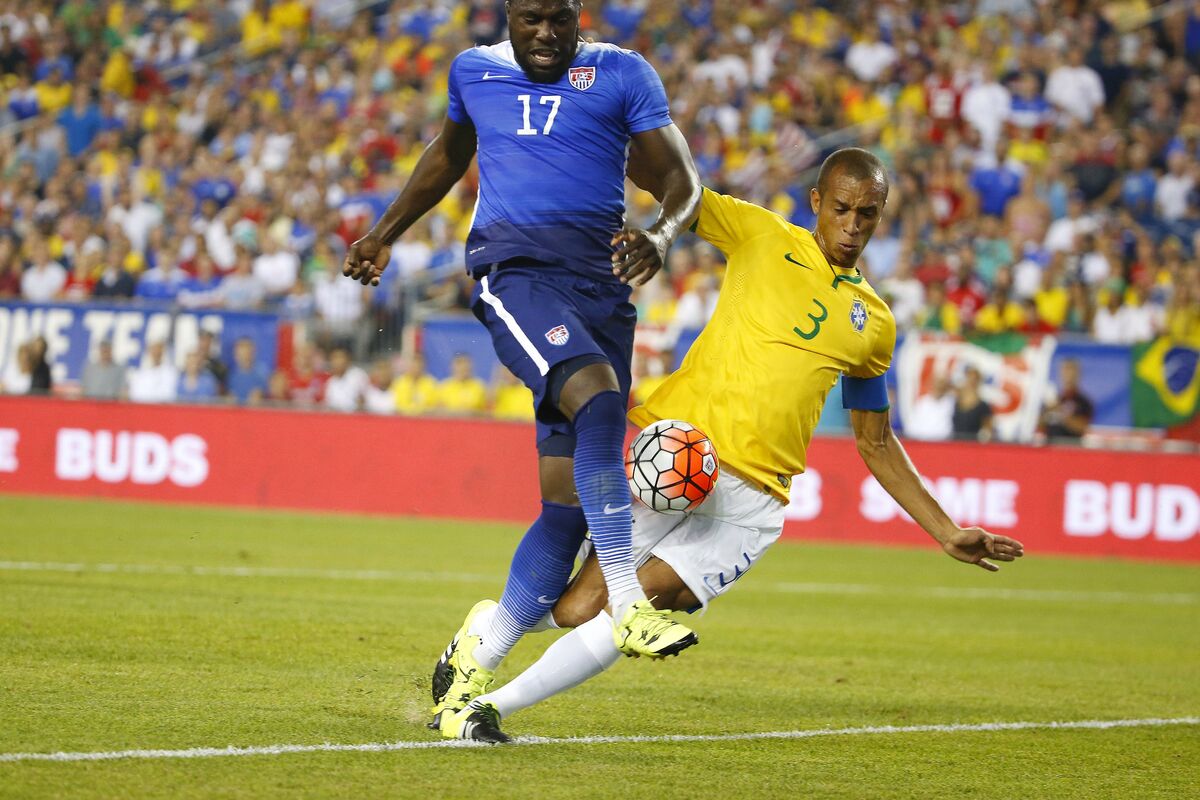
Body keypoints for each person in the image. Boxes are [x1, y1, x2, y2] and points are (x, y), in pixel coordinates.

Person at [441, 148, 1025, 743]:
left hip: (751, 503)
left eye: (868, 214)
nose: (853, 226)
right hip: (677, 457)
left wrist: (945, 530)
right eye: (842, 208)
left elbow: (875, 440)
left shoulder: (874, 322)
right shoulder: (761, 233)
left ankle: (484, 711)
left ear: (882, 214)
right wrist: (608, 138)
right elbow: (676, 187)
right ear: (817, 201)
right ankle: (487, 633)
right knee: (575, 609)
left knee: (642, 603)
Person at [342, 0, 704, 728]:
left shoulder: (623, 74)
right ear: (509, 15)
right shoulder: (473, 71)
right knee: (599, 398)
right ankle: (628, 603)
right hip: (515, 273)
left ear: (578, 15)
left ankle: (472, 664)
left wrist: (663, 235)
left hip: (603, 291)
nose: (545, 34)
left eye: (559, 20)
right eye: (532, 19)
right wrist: (384, 233)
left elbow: (682, 180)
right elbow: (448, 155)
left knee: (565, 513)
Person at [1041, 358, 1093, 440]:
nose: (1068, 374)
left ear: (1078, 374)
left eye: (1071, 370)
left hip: (1070, 445)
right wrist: (1047, 412)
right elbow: (1039, 425)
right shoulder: (1054, 399)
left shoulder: (1083, 402)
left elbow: (1082, 427)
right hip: (1050, 444)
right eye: (1065, 370)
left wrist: (1060, 411)